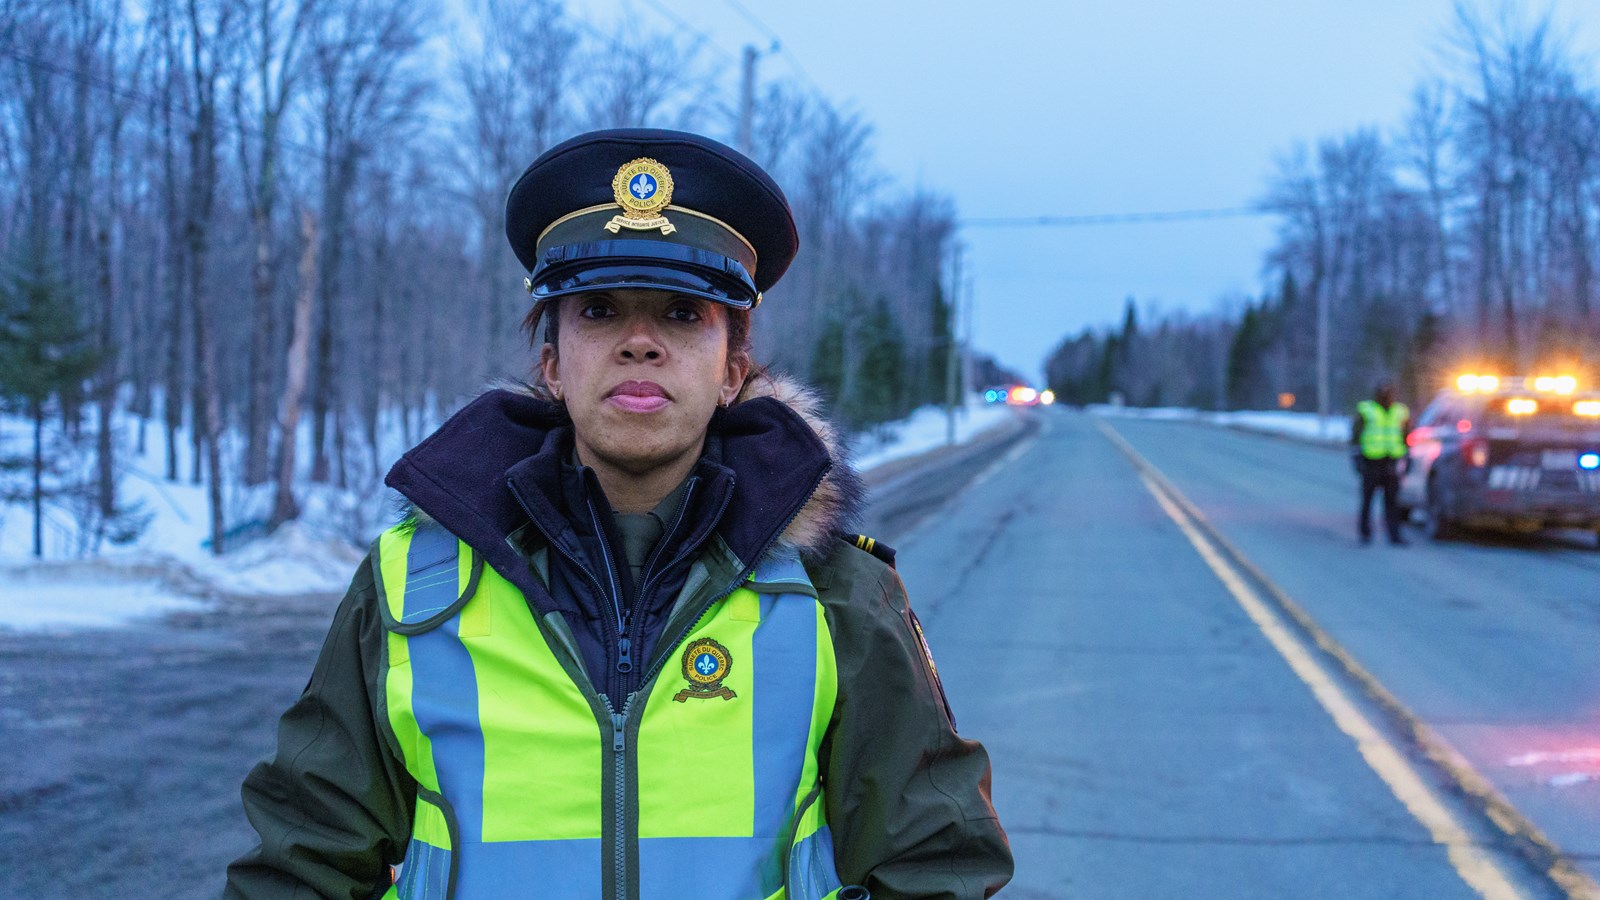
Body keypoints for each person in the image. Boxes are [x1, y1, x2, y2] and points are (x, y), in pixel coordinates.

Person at [224, 128, 1013, 899]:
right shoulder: (413, 587)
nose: (640, 342)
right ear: (552, 363)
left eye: (681, 314)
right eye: (599, 311)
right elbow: (304, 863)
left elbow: (936, 864)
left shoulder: (835, 597)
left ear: (733, 367)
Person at [1351, 382, 1412, 546]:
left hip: (1392, 462)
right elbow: (1356, 435)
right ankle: (1365, 533)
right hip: (1371, 462)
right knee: (1367, 501)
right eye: (1383, 393)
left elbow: (1407, 437)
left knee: (1392, 503)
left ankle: (1394, 535)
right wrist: (1357, 458)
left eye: (1389, 393)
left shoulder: (1400, 412)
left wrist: (1407, 457)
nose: (1386, 397)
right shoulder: (1366, 410)